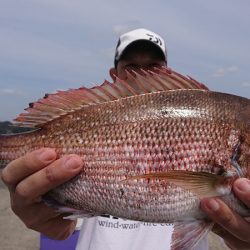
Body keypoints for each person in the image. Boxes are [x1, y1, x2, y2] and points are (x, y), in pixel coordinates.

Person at [1, 28, 250, 250]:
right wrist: (43, 214)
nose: (143, 74)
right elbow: (60, 227)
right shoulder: (94, 112)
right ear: (114, 73)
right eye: (132, 67)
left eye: (153, 66)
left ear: (167, 71)